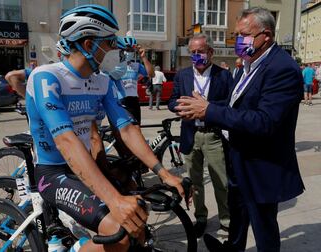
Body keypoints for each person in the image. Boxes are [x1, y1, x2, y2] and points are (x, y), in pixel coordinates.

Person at [25, 5, 184, 252]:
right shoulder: (46, 77)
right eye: (111, 43)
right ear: (89, 45)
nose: (117, 51)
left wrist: (163, 172)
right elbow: (66, 141)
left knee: (138, 220)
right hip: (53, 172)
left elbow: (128, 129)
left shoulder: (103, 81)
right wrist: (114, 200)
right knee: (118, 233)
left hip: (83, 167)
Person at [175, 7, 304, 252]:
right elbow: (236, 105)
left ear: (265, 35)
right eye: (236, 35)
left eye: (244, 35)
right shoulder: (248, 64)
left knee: (263, 226)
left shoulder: (282, 68)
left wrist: (209, 110)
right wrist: (203, 107)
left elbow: (265, 121)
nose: (238, 41)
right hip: (238, 157)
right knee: (238, 214)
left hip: (261, 164)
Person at [168, 33, 232, 238]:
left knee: (221, 181)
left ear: (210, 52)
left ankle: (226, 220)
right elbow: (172, 100)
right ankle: (201, 217)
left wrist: (208, 107)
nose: (196, 56)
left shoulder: (224, 75)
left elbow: (232, 104)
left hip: (213, 136)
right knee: (195, 182)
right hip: (190, 134)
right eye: (193, 52)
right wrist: (182, 107)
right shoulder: (182, 75)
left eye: (201, 52)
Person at [115, 36, 154, 124]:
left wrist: (143, 57)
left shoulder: (136, 65)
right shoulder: (115, 65)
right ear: (121, 50)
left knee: (137, 127)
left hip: (134, 101)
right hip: (121, 100)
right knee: (128, 130)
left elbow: (151, 74)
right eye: (127, 49)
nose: (129, 52)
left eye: (132, 50)